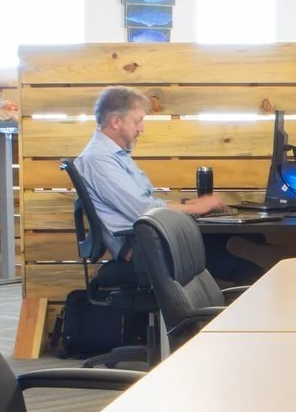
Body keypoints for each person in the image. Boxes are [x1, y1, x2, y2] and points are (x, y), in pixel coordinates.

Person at [74, 84, 264, 284]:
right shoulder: (98, 160)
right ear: (115, 121)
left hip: (154, 239)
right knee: (248, 271)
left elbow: (143, 201)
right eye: (138, 121)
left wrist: (185, 205)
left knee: (236, 240)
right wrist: (195, 208)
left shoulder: (115, 155)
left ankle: (253, 246)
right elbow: (144, 211)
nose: (142, 128)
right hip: (145, 248)